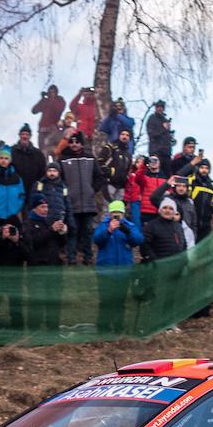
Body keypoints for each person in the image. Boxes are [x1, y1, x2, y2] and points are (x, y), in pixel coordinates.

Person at [93, 200, 142, 335]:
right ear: (109, 214)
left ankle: (118, 328)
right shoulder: (103, 225)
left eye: (119, 213)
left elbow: (138, 240)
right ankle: (103, 328)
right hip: (105, 271)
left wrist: (127, 232)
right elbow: (97, 239)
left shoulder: (129, 226)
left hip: (123, 271)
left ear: (123, 214)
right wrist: (109, 230)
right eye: (114, 213)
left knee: (120, 301)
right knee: (105, 301)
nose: (116, 215)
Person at [21, 193, 68, 334]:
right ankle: (34, 331)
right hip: (38, 269)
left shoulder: (48, 222)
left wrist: (62, 232)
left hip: (54, 268)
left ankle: (53, 329)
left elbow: (61, 244)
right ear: (34, 208)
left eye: (47, 207)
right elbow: (33, 243)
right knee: (36, 302)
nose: (45, 210)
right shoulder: (28, 223)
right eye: (42, 207)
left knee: (54, 301)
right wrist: (51, 230)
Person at [57, 134, 101, 265]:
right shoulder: (63, 159)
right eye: (71, 142)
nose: (74, 144)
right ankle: (71, 257)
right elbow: (59, 180)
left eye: (77, 142)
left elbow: (99, 177)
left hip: (88, 202)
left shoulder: (90, 158)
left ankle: (88, 257)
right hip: (71, 203)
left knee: (87, 231)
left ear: (81, 143)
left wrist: (92, 190)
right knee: (72, 231)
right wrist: (65, 194)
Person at [9, 126, 46, 192]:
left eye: (27, 134)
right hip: (14, 189)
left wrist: (39, 189)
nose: (25, 137)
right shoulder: (11, 151)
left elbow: (42, 175)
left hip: (32, 190)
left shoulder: (38, 154)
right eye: (23, 134)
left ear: (30, 136)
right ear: (19, 135)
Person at [31, 85, 66, 153]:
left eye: (53, 92)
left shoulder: (60, 99)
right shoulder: (45, 101)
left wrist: (52, 99)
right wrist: (42, 99)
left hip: (53, 128)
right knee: (43, 151)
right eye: (50, 92)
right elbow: (34, 110)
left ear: (56, 92)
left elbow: (59, 110)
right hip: (42, 129)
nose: (52, 93)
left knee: (55, 151)